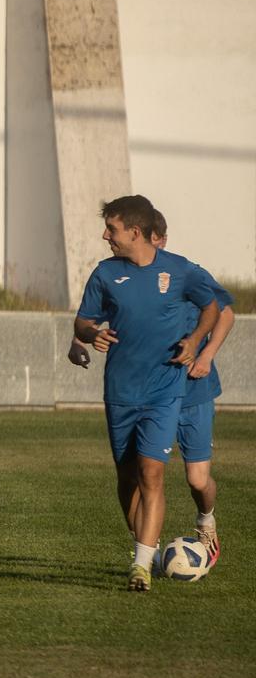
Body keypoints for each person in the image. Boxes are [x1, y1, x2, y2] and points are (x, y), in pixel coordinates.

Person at [72, 196, 219, 591]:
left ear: (135, 232)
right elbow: (82, 321)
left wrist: (195, 341)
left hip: (164, 391)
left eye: (112, 229)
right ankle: (148, 551)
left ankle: (139, 566)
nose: (106, 236)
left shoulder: (181, 270)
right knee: (128, 478)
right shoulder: (105, 273)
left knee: (152, 472)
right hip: (120, 391)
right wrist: (90, 333)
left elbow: (214, 308)